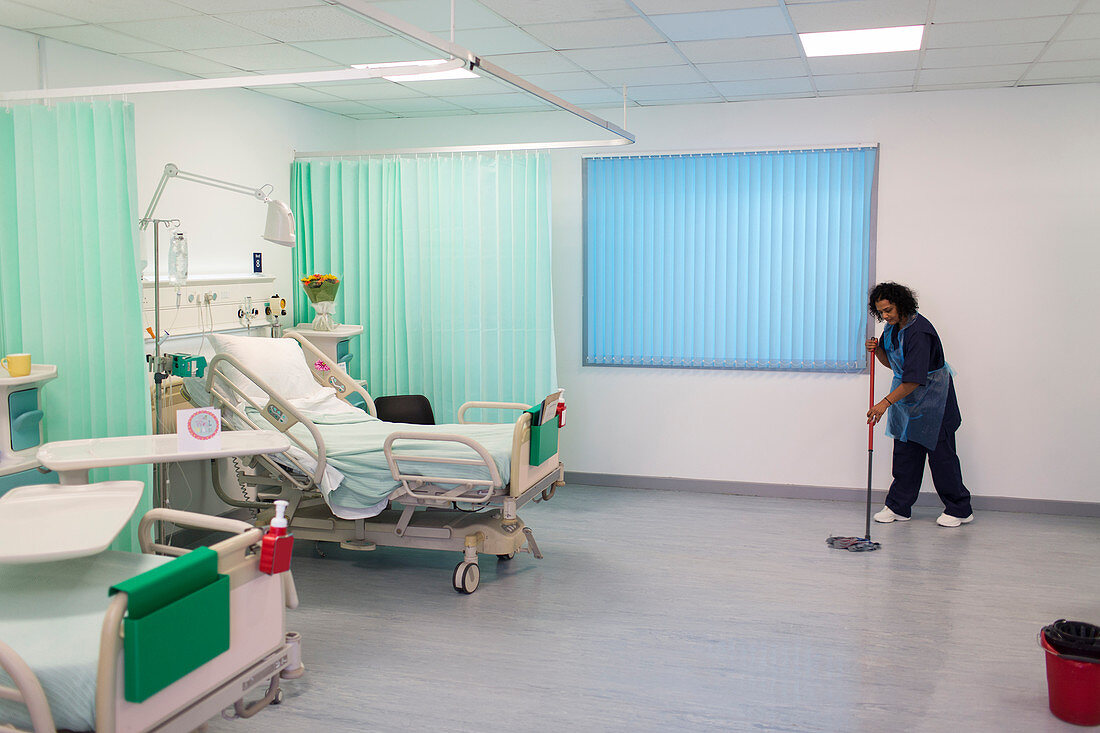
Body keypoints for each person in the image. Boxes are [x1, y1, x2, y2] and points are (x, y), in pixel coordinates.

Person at [865, 282, 973, 527]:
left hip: (934, 400)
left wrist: (884, 404)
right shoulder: (893, 328)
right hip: (907, 402)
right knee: (905, 454)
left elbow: (914, 378)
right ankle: (898, 506)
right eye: (881, 311)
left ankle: (959, 508)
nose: (885, 316)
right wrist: (877, 351)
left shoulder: (920, 332)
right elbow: (895, 365)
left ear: (902, 304)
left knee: (941, 456)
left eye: (889, 310)